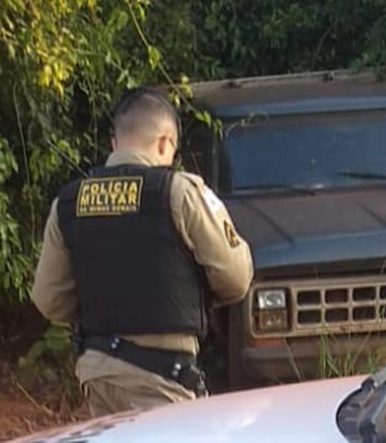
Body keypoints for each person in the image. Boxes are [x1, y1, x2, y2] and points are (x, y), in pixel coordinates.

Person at [31, 87, 254, 417]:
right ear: (165, 142)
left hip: (97, 374)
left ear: (114, 143)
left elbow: (49, 299)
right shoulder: (179, 192)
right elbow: (236, 278)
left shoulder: (68, 202)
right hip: (163, 378)